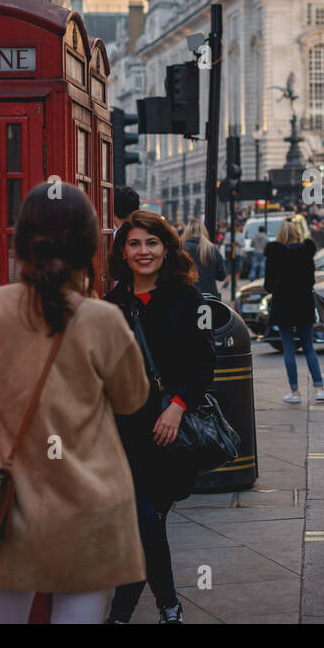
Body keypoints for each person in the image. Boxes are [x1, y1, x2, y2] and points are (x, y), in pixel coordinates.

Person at [0, 182, 149, 624]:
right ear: (90, 246)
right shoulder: (103, 318)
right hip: (89, 506)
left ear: (20, 241)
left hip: (8, 506)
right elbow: (132, 400)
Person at [104, 209, 217, 625]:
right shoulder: (112, 304)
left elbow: (204, 364)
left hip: (170, 434)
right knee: (145, 521)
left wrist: (177, 406)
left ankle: (128, 614)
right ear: (123, 251)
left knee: (145, 521)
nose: (143, 251)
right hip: (124, 434)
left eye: (152, 242)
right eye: (134, 243)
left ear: (166, 248)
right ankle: (166, 610)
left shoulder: (187, 299)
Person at [265, 219, 324, 403]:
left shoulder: (275, 254)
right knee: (309, 347)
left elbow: (268, 285)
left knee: (289, 348)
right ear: (297, 234)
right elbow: (311, 281)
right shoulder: (306, 253)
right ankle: (319, 388)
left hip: (283, 306)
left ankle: (294, 392)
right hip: (303, 304)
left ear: (280, 235)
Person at [182, 217, 227, 297]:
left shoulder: (181, 249)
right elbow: (221, 276)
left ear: (186, 232)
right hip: (209, 298)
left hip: (186, 297)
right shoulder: (212, 249)